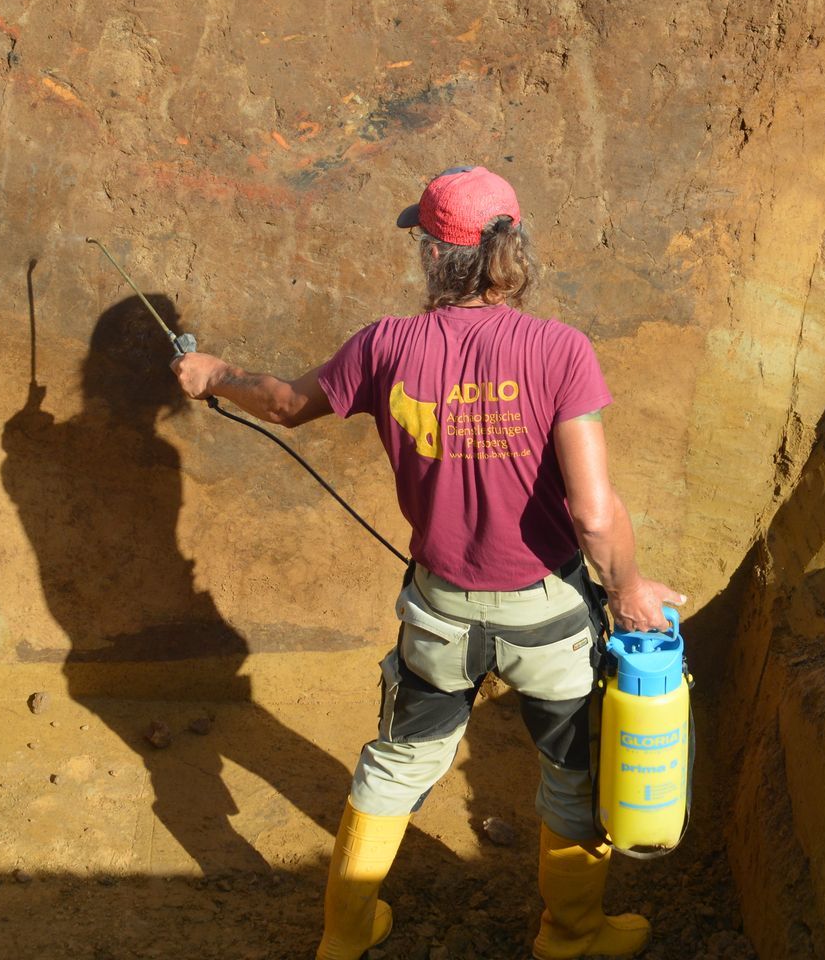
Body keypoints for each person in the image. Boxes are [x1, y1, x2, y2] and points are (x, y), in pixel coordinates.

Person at [172, 166, 686, 960]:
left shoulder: (385, 345)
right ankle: (571, 937)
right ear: (512, 248)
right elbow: (593, 511)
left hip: (440, 614)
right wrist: (627, 589)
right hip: (548, 620)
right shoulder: (560, 351)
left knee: (396, 765)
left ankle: (345, 931)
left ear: (434, 254)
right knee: (572, 774)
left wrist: (215, 374)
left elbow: (284, 405)